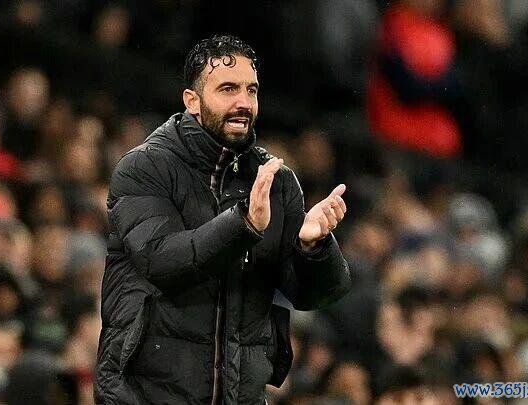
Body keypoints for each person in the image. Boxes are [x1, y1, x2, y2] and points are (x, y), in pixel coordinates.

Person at [94, 34, 351, 404]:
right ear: (192, 101)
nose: (243, 102)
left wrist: (313, 248)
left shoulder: (275, 181)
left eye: (251, 90)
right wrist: (243, 224)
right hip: (146, 396)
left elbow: (314, 296)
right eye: (228, 89)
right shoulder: (144, 167)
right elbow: (161, 259)